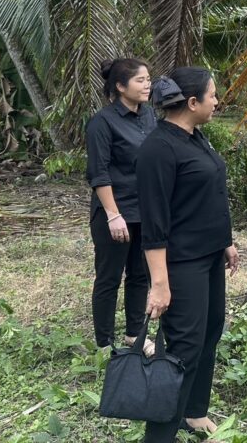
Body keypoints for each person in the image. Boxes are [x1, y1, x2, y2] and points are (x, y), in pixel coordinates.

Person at [138, 67, 239, 442]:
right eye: (212, 95)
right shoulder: (158, 149)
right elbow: (154, 224)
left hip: (209, 256)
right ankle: (159, 435)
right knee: (183, 348)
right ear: (193, 102)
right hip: (181, 264)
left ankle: (193, 412)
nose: (217, 101)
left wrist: (225, 241)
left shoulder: (196, 138)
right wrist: (159, 284)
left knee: (209, 332)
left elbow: (205, 196)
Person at [86, 58, 155, 352]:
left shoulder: (149, 115)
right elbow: (99, 172)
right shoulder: (102, 122)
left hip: (144, 211)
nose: (147, 85)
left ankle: (134, 334)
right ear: (120, 86)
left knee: (140, 275)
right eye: (140, 80)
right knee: (109, 277)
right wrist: (113, 215)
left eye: (148, 79)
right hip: (114, 211)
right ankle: (104, 343)